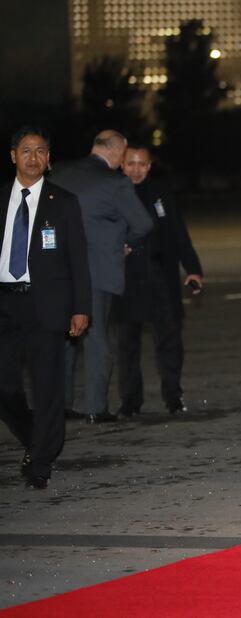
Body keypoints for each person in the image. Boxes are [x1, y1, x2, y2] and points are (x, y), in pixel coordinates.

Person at [0, 126, 91, 489]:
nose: (33, 157)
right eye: (26, 151)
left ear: (48, 158)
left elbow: (78, 260)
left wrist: (81, 307)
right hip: (5, 304)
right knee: (4, 386)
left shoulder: (63, 202)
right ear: (13, 156)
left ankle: (41, 460)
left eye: (40, 151)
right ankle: (33, 437)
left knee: (48, 386)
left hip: (47, 307)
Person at [50, 130, 153, 423]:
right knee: (96, 339)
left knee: (65, 339)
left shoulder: (60, 172)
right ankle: (97, 407)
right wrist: (126, 243)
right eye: (124, 156)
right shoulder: (116, 182)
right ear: (117, 152)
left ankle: (61, 404)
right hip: (97, 270)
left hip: (59, 270)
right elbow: (143, 224)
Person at [114, 145, 203, 416]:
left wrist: (193, 268)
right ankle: (130, 401)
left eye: (142, 164)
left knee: (170, 339)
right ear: (121, 164)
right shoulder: (113, 194)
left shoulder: (161, 193)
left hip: (161, 277)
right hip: (127, 278)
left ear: (150, 166)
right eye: (131, 164)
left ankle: (173, 397)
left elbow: (179, 233)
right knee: (128, 343)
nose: (136, 169)